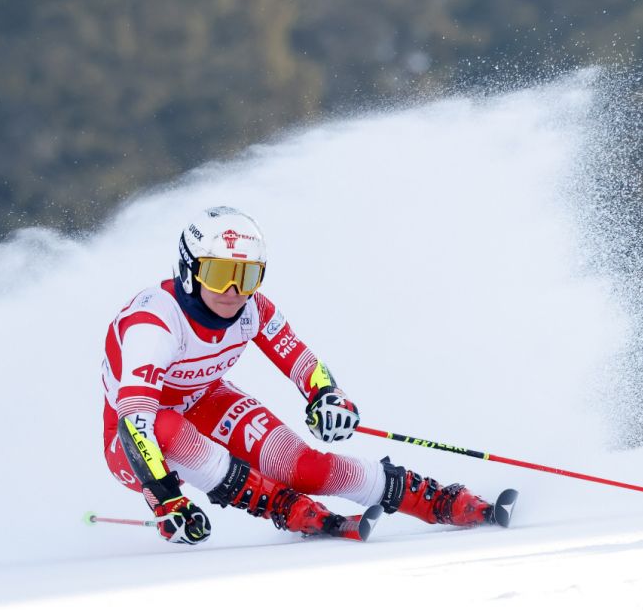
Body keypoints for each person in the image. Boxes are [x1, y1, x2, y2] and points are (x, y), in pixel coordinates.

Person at [101, 206, 497, 544]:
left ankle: (435, 500)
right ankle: (281, 506)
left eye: (248, 275)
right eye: (220, 274)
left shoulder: (253, 310)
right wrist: (166, 497)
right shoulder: (154, 323)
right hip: (134, 446)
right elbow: (135, 422)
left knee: (304, 468)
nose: (234, 291)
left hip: (205, 400)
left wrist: (327, 396)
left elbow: (301, 360)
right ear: (190, 270)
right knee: (165, 426)